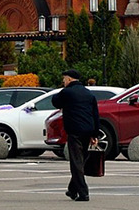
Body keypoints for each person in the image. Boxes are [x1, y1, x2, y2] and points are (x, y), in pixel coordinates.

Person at [51, 69, 99, 202]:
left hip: (75, 131)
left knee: (76, 162)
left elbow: (55, 102)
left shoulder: (67, 92)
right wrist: (95, 134)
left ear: (69, 79)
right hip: (88, 130)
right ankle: (72, 190)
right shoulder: (88, 93)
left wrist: (60, 91)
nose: (63, 81)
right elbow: (95, 114)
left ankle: (84, 193)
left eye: (64, 79)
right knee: (81, 160)